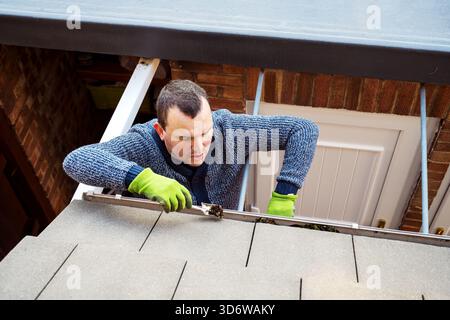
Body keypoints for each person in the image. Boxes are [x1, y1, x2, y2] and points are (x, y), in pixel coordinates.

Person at [63, 79, 319, 217]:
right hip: (159, 236)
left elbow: (303, 129)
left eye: (204, 133)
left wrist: (285, 193)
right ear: (161, 132)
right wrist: (141, 179)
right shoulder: (143, 142)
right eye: (184, 138)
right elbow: (76, 160)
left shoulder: (231, 130)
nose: (198, 148)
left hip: (221, 231)